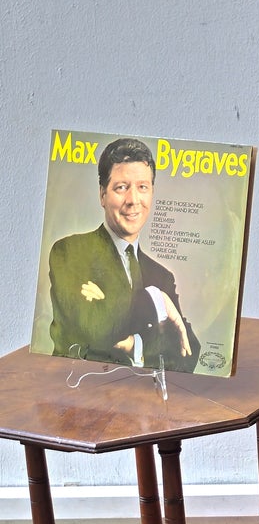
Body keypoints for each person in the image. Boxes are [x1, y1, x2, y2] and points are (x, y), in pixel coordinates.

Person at [47, 137, 199, 372]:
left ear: (152, 193)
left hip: (147, 398)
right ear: (102, 195)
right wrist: (159, 304)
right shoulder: (69, 252)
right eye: (121, 187)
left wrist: (134, 343)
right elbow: (98, 331)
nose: (133, 200)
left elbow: (188, 353)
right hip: (79, 392)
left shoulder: (162, 277)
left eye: (142, 187)